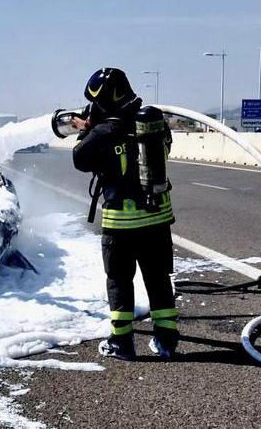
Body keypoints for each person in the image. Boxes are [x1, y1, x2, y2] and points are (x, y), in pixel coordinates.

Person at [71, 67, 178, 360]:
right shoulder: (153, 125)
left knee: (119, 280)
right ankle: (166, 340)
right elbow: (164, 152)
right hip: (156, 217)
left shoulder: (105, 131)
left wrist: (86, 130)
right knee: (157, 278)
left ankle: (121, 342)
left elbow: (80, 159)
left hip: (121, 223)